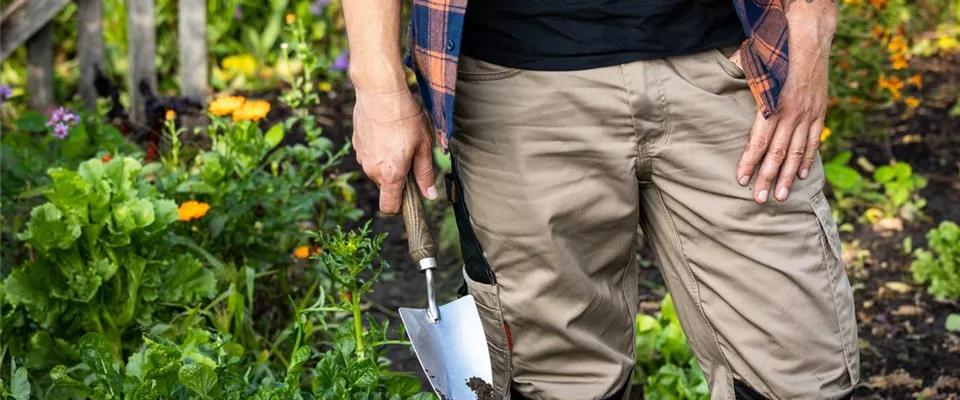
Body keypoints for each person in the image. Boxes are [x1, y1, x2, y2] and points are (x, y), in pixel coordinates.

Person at [341, 0, 860, 398]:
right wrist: (379, 84)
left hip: (730, 67)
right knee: (559, 381)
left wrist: (812, 26)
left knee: (801, 369)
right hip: (515, 89)